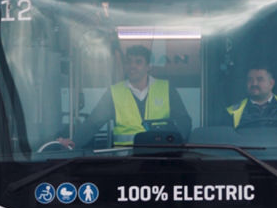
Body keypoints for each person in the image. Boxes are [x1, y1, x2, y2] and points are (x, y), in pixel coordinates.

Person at [57, 44, 191, 149]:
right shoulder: (114, 92)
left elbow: (184, 121)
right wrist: (73, 142)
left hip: (159, 159)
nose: (132, 66)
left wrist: (177, 145)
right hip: (125, 162)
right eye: (129, 62)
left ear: (148, 67)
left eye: (138, 62)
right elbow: (93, 123)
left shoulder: (166, 89)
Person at [226, 65, 277, 129]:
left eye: (260, 79)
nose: (254, 83)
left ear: (271, 83)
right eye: (250, 80)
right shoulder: (232, 112)